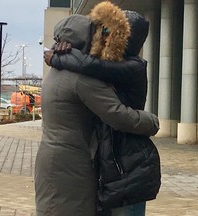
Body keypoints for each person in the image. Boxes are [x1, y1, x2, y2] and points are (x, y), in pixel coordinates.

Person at [35, 10, 159, 216]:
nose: (103, 39)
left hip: (52, 158)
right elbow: (118, 115)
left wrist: (58, 54)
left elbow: (91, 65)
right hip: (73, 163)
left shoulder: (55, 73)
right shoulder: (81, 79)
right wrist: (151, 121)